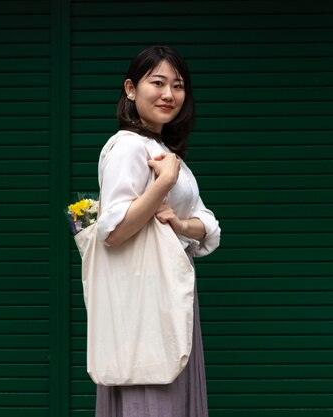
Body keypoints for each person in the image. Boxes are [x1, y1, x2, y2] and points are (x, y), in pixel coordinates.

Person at [94, 45, 221, 417]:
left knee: (167, 382)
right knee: (151, 387)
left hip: (169, 289)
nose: (169, 94)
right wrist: (163, 184)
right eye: (158, 82)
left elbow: (207, 224)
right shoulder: (127, 147)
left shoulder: (162, 149)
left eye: (178, 85)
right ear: (131, 89)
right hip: (145, 297)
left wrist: (181, 224)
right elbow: (113, 230)